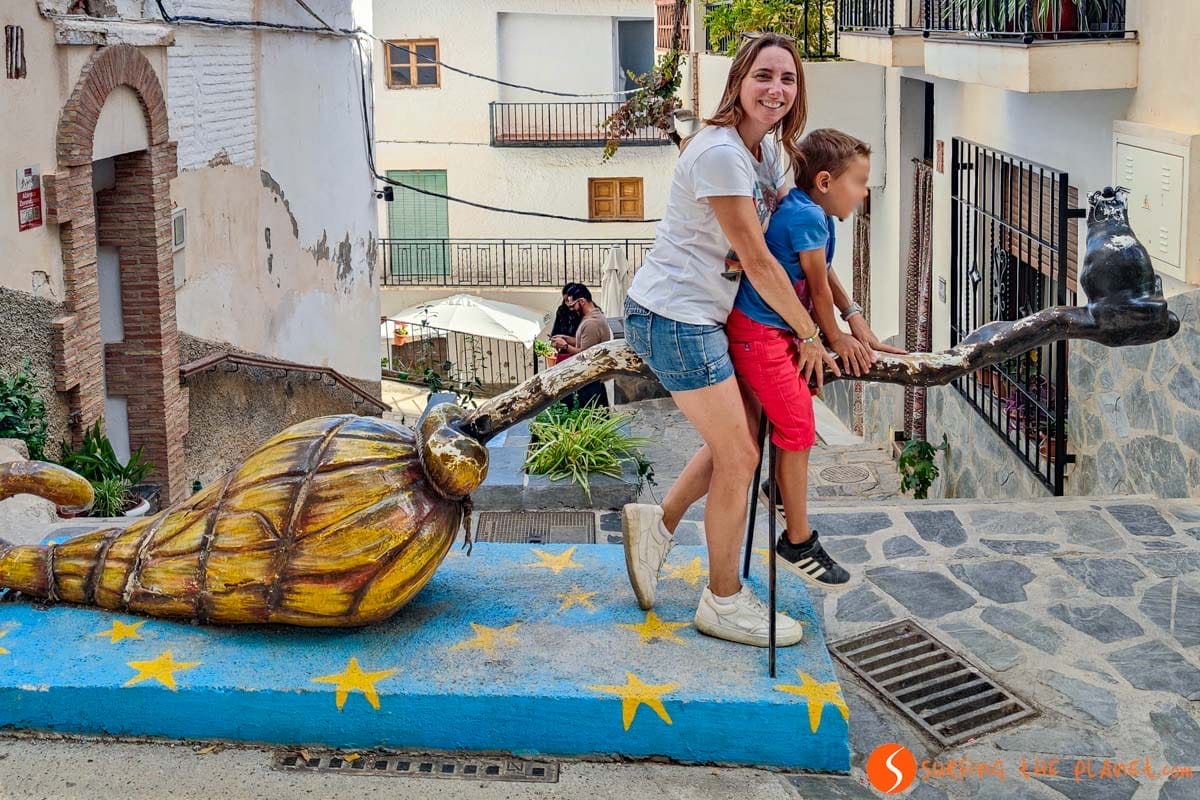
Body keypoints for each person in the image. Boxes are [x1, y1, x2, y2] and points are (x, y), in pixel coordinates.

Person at [620, 33, 838, 648]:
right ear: (739, 81)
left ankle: (658, 522)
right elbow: (760, 261)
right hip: (675, 317)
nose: (775, 89)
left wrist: (838, 316)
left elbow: (795, 242)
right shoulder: (720, 154)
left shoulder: (766, 150)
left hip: (708, 316)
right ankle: (721, 600)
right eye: (764, 76)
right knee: (741, 457)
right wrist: (810, 333)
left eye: (788, 80)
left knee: (733, 443)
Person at [728, 128, 904, 590]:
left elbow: (823, 273)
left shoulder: (810, 214)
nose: (865, 193)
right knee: (800, 427)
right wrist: (834, 339)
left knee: (797, 414)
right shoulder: (807, 217)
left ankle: (781, 490)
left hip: (777, 331)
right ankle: (797, 542)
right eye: (859, 182)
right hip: (761, 335)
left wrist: (855, 320)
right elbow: (818, 290)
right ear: (825, 181)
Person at [553, 284, 612, 409]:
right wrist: (567, 339)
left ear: (582, 301)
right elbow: (586, 342)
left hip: (591, 380)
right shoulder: (592, 317)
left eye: (573, 305)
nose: (572, 309)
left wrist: (565, 346)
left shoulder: (591, 323)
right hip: (592, 379)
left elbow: (585, 355)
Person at [550, 282, 583, 361]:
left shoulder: (584, 314)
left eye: (569, 300)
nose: (568, 304)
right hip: (563, 354)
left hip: (578, 353)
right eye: (565, 301)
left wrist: (566, 342)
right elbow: (555, 332)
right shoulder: (562, 311)